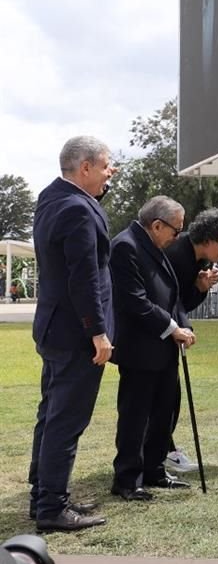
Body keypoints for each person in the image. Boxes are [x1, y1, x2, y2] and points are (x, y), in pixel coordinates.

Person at [29, 135, 116, 532]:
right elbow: (85, 279)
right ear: (85, 168)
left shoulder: (51, 198)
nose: (110, 172)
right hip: (76, 334)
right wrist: (98, 332)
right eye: (105, 166)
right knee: (65, 421)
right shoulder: (79, 210)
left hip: (53, 328)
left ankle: (43, 496)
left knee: (50, 416)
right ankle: (51, 507)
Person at [109, 196, 197, 501]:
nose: (178, 237)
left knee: (164, 413)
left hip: (164, 350)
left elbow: (173, 296)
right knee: (136, 416)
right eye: (176, 230)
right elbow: (135, 300)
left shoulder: (158, 246)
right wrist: (173, 328)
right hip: (140, 349)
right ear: (157, 225)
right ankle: (127, 479)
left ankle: (154, 470)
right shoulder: (126, 246)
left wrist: (184, 325)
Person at [162, 208, 218, 474]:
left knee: (171, 396)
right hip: (156, 332)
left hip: (170, 331)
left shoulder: (197, 260)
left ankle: (164, 451)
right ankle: (160, 453)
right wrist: (180, 328)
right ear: (207, 240)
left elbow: (185, 300)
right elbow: (169, 300)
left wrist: (201, 288)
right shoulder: (177, 255)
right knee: (160, 398)